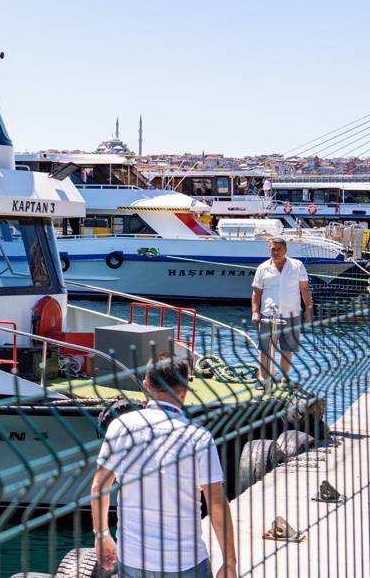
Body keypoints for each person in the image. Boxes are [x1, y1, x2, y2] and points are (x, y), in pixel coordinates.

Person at [92, 353, 237, 578]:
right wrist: (229, 562)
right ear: (184, 392)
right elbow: (216, 503)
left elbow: (99, 487)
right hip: (184, 561)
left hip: (133, 560)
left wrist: (102, 534)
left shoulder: (120, 427)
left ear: (146, 386)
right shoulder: (198, 438)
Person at [251, 236, 313, 388]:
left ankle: (285, 378)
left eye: (279, 249)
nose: (276, 252)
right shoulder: (263, 268)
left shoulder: (297, 266)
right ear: (269, 249)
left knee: (287, 348)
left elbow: (304, 288)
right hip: (268, 314)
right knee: (265, 349)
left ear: (286, 250)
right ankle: (263, 378)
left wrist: (308, 309)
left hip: (292, 314)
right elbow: (256, 292)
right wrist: (255, 312)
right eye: (273, 249)